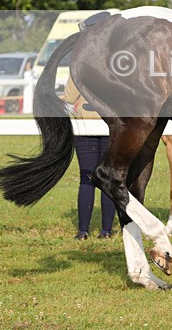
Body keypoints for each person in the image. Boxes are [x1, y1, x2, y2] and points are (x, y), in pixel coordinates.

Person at [63, 78, 116, 239]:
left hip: (84, 123)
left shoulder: (80, 63)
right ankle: (106, 231)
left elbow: (70, 98)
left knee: (87, 178)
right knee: (108, 179)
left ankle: (82, 231)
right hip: (110, 123)